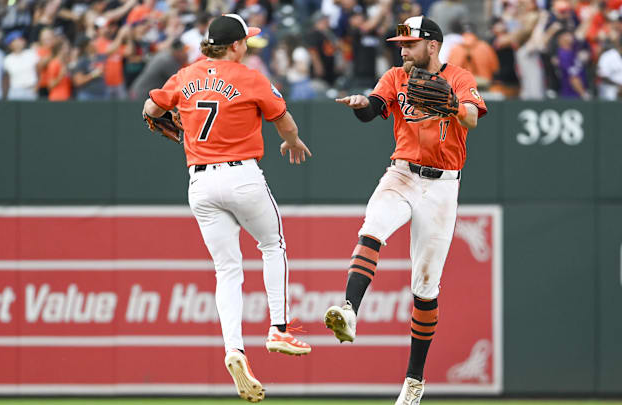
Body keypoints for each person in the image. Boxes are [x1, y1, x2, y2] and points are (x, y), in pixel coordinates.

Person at [143, 13, 312, 403]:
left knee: (226, 269)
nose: (247, 47)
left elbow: (150, 110)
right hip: (242, 176)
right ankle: (279, 328)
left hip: (200, 182)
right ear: (235, 45)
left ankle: (234, 350)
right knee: (272, 246)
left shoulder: (185, 75)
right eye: (245, 42)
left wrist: (172, 124)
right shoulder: (249, 76)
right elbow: (283, 122)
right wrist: (293, 141)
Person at [326, 15, 487, 405]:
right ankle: (349, 309)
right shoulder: (397, 76)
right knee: (373, 227)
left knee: (425, 287)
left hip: (443, 185)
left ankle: (414, 380)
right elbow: (374, 107)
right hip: (402, 172)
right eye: (400, 44)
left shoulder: (460, 76)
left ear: (432, 46)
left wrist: (449, 102)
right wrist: (361, 104)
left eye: (409, 44)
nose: (402, 50)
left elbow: (471, 118)